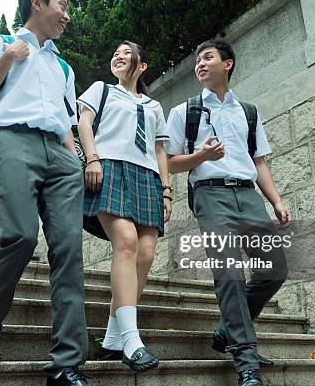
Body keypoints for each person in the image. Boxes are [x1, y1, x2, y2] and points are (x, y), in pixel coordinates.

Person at [0, 0, 89, 385]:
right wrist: (8, 60)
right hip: (10, 142)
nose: (67, 15)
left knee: (69, 252)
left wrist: (75, 157)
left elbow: (67, 123)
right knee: (19, 235)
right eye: (62, 5)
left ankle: (67, 363)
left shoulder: (63, 67)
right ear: (37, 3)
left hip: (59, 155)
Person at [165, 39, 291, 386]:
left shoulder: (247, 112)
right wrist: (201, 158)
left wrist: (277, 200)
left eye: (208, 58)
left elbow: (259, 161)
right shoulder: (184, 112)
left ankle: (227, 332)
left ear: (228, 64)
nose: (200, 65)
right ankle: (246, 360)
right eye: (197, 61)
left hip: (248, 196)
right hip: (209, 194)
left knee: (275, 270)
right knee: (229, 273)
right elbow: (172, 163)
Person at [77, 41, 172, 373]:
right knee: (127, 243)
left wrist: (166, 190)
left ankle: (112, 338)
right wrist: (92, 159)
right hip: (111, 168)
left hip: (147, 177)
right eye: (114, 52)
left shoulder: (155, 106)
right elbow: (84, 124)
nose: (117, 55)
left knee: (146, 255)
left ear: (141, 65)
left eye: (126, 53)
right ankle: (132, 341)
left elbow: (161, 152)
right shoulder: (101, 90)